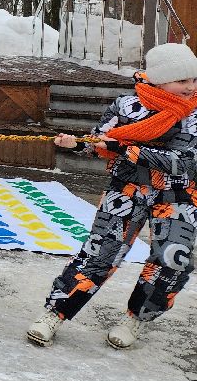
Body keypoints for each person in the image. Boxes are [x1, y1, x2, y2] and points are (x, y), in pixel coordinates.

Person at [27, 42, 197, 350]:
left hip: (179, 195)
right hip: (127, 189)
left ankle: (136, 318)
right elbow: (101, 141)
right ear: (159, 80)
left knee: (172, 259)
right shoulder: (127, 106)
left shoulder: (194, 114)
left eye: (194, 79)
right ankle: (55, 313)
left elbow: (186, 162)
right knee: (100, 252)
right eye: (182, 80)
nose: (190, 86)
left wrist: (126, 149)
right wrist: (78, 144)